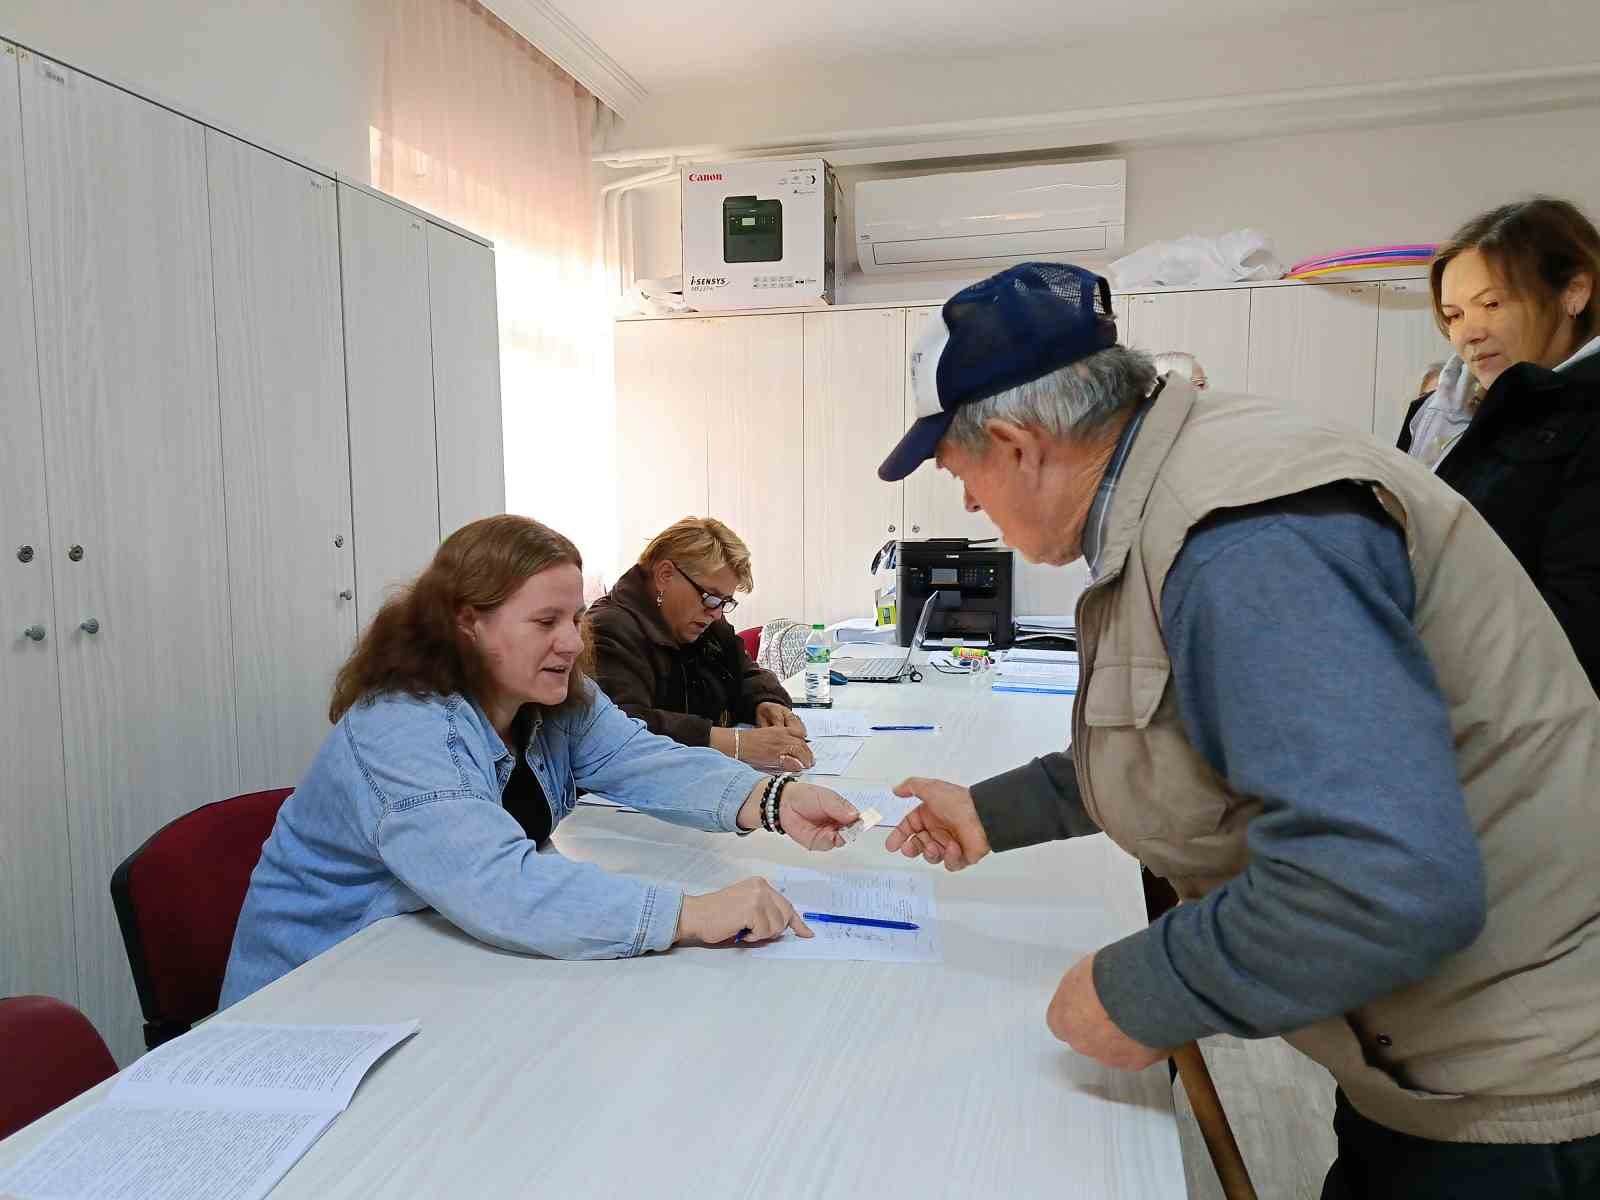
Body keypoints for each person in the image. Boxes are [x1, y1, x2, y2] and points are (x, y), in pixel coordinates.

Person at [876, 261, 1600, 1198]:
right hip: (1429, 1056)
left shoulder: (1244, 539)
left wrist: (1139, 989)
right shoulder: (1186, 486)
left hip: (1515, 1099)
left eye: (957, 471)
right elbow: (1180, 734)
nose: (968, 504)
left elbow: (1378, 881)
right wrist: (990, 811)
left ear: (1017, 445)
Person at [221, 516, 860, 1006]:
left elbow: (639, 757)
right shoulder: (402, 727)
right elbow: (496, 884)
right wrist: (690, 914)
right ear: (467, 623)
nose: (570, 642)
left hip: (423, 967)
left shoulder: (551, 696)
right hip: (312, 1003)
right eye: (546, 621)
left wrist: (773, 801)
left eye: (576, 618)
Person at [1395, 197, 1600, 690]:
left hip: (1530, 710)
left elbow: (1577, 614)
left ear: (1573, 292)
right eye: (1454, 314)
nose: (1470, 334)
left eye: (1492, 304)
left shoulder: (1586, 412)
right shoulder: (1436, 415)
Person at [589, 517, 814, 773]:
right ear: (665, 575)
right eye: (711, 598)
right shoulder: (608, 628)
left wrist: (766, 702)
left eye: (724, 602)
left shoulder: (704, 618)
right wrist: (730, 743)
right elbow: (625, 726)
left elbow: (746, 672)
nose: (717, 613)